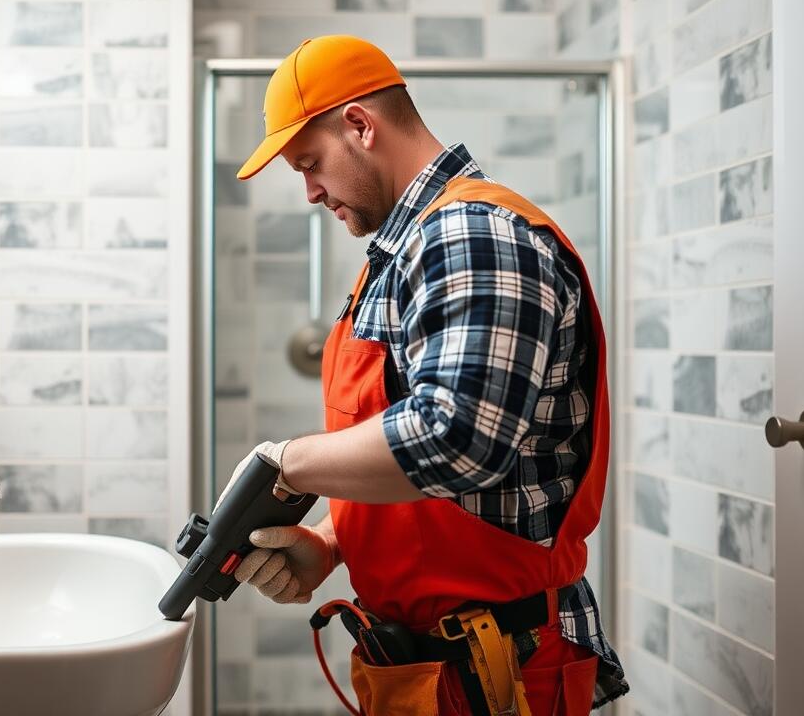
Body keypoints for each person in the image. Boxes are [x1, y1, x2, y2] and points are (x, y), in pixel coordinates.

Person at [220, 35, 629, 714]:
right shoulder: (407, 249)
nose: (312, 192)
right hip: (429, 667)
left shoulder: (471, 235)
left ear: (360, 124)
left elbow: (455, 437)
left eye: (311, 163)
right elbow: (414, 451)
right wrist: (328, 541)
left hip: (501, 673)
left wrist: (285, 463)